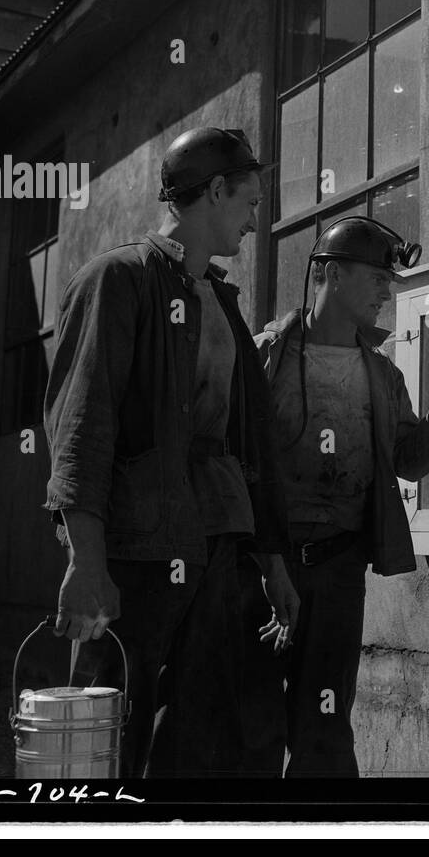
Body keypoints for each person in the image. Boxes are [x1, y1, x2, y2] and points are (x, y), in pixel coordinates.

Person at [42, 126, 298, 777]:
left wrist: (273, 562)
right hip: (136, 549)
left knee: (197, 736)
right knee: (103, 731)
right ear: (214, 191)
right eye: (248, 201)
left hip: (216, 546)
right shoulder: (118, 280)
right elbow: (83, 426)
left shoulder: (223, 303)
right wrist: (86, 561)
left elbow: (253, 444)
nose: (254, 219)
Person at [249, 217, 429, 776]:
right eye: (377, 278)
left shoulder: (383, 376)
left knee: (325, 727)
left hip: (338, 571)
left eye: (390, 281)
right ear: (333, 275)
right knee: (252, 722)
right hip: (260, 569)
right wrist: (263, 567)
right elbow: (232, 457)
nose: (388, 293)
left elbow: (408, 461)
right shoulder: (264, 356)